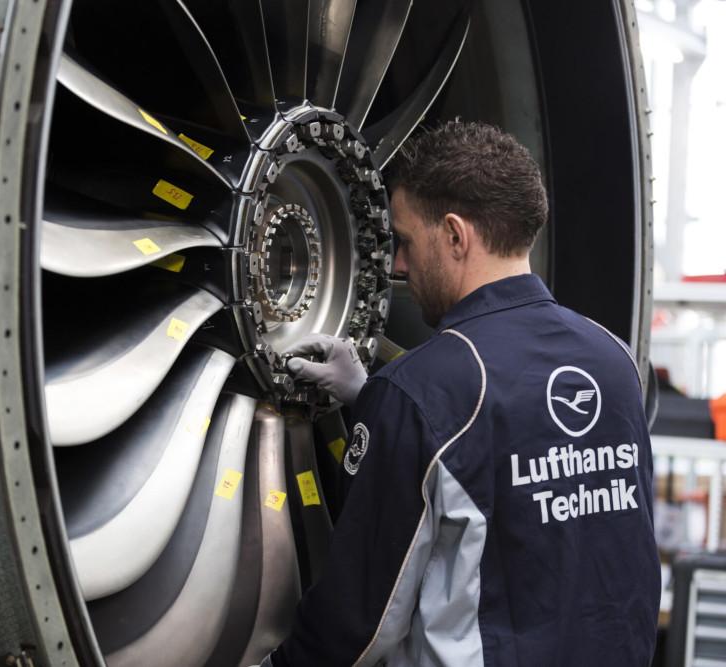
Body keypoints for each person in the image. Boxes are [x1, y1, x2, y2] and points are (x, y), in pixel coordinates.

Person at [266, 121, 660, 666]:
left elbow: (361, 623)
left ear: (455, 235)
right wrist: (374, 399)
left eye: (404, 241)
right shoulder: (615, 360)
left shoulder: (428, 389)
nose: (399, 268)